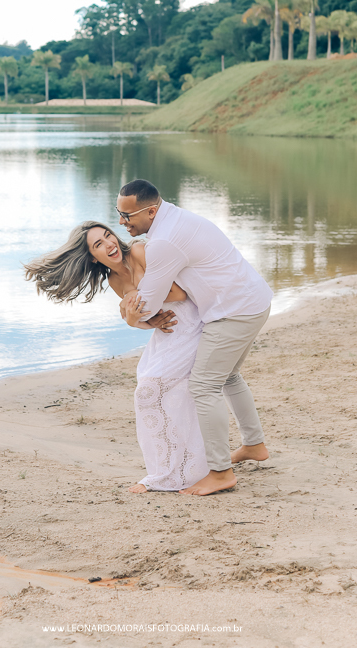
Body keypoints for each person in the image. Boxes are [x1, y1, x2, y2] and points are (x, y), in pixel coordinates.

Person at [24, 221, 209, 493]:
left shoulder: (140, 252)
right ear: (91, 256)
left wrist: (134, 300)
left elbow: (179, 293)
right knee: (150, 390)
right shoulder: (114, 279)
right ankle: (170, 470)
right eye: (98, 244)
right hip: (168, 330)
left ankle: (184, 471)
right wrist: (139, 320)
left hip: (192, 323)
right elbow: (139, 319)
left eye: (108, 235)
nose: (109, 244)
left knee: (152, 390)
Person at [117, 179, 273, 496]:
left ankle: (220, 472)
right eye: (119, 213)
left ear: (151, 211)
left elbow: (149, 302)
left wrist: (131, 314)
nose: (121, 222)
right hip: (252, 300)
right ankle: (254, 445)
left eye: (127, 215)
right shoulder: (176, 219)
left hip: (233, 312)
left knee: (203, 385)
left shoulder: (163, 241)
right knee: (228, 376)